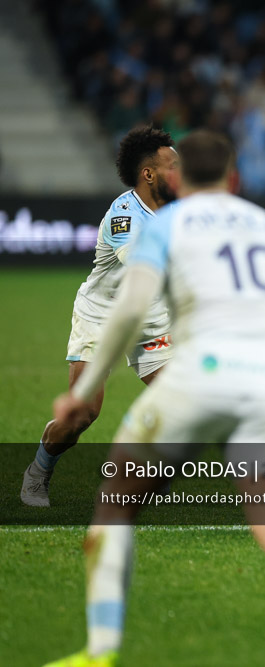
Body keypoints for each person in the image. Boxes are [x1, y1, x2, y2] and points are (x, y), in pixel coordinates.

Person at [43, 130, 265, 667]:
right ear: (233, 178)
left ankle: (100, 650)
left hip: (200, 372)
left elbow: (131, 309)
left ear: (181, 179)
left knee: (114, 504)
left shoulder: (169, 224)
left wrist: (83, 392)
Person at [21, 125, 178, 507]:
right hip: (103, 316)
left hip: (152, 319)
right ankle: (38, 472)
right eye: (173, 164)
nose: (182, 170)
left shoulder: (181, 207)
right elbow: (143, 270)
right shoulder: (124, 215)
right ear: (149, 174)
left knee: (184, 408)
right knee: (83, 414)